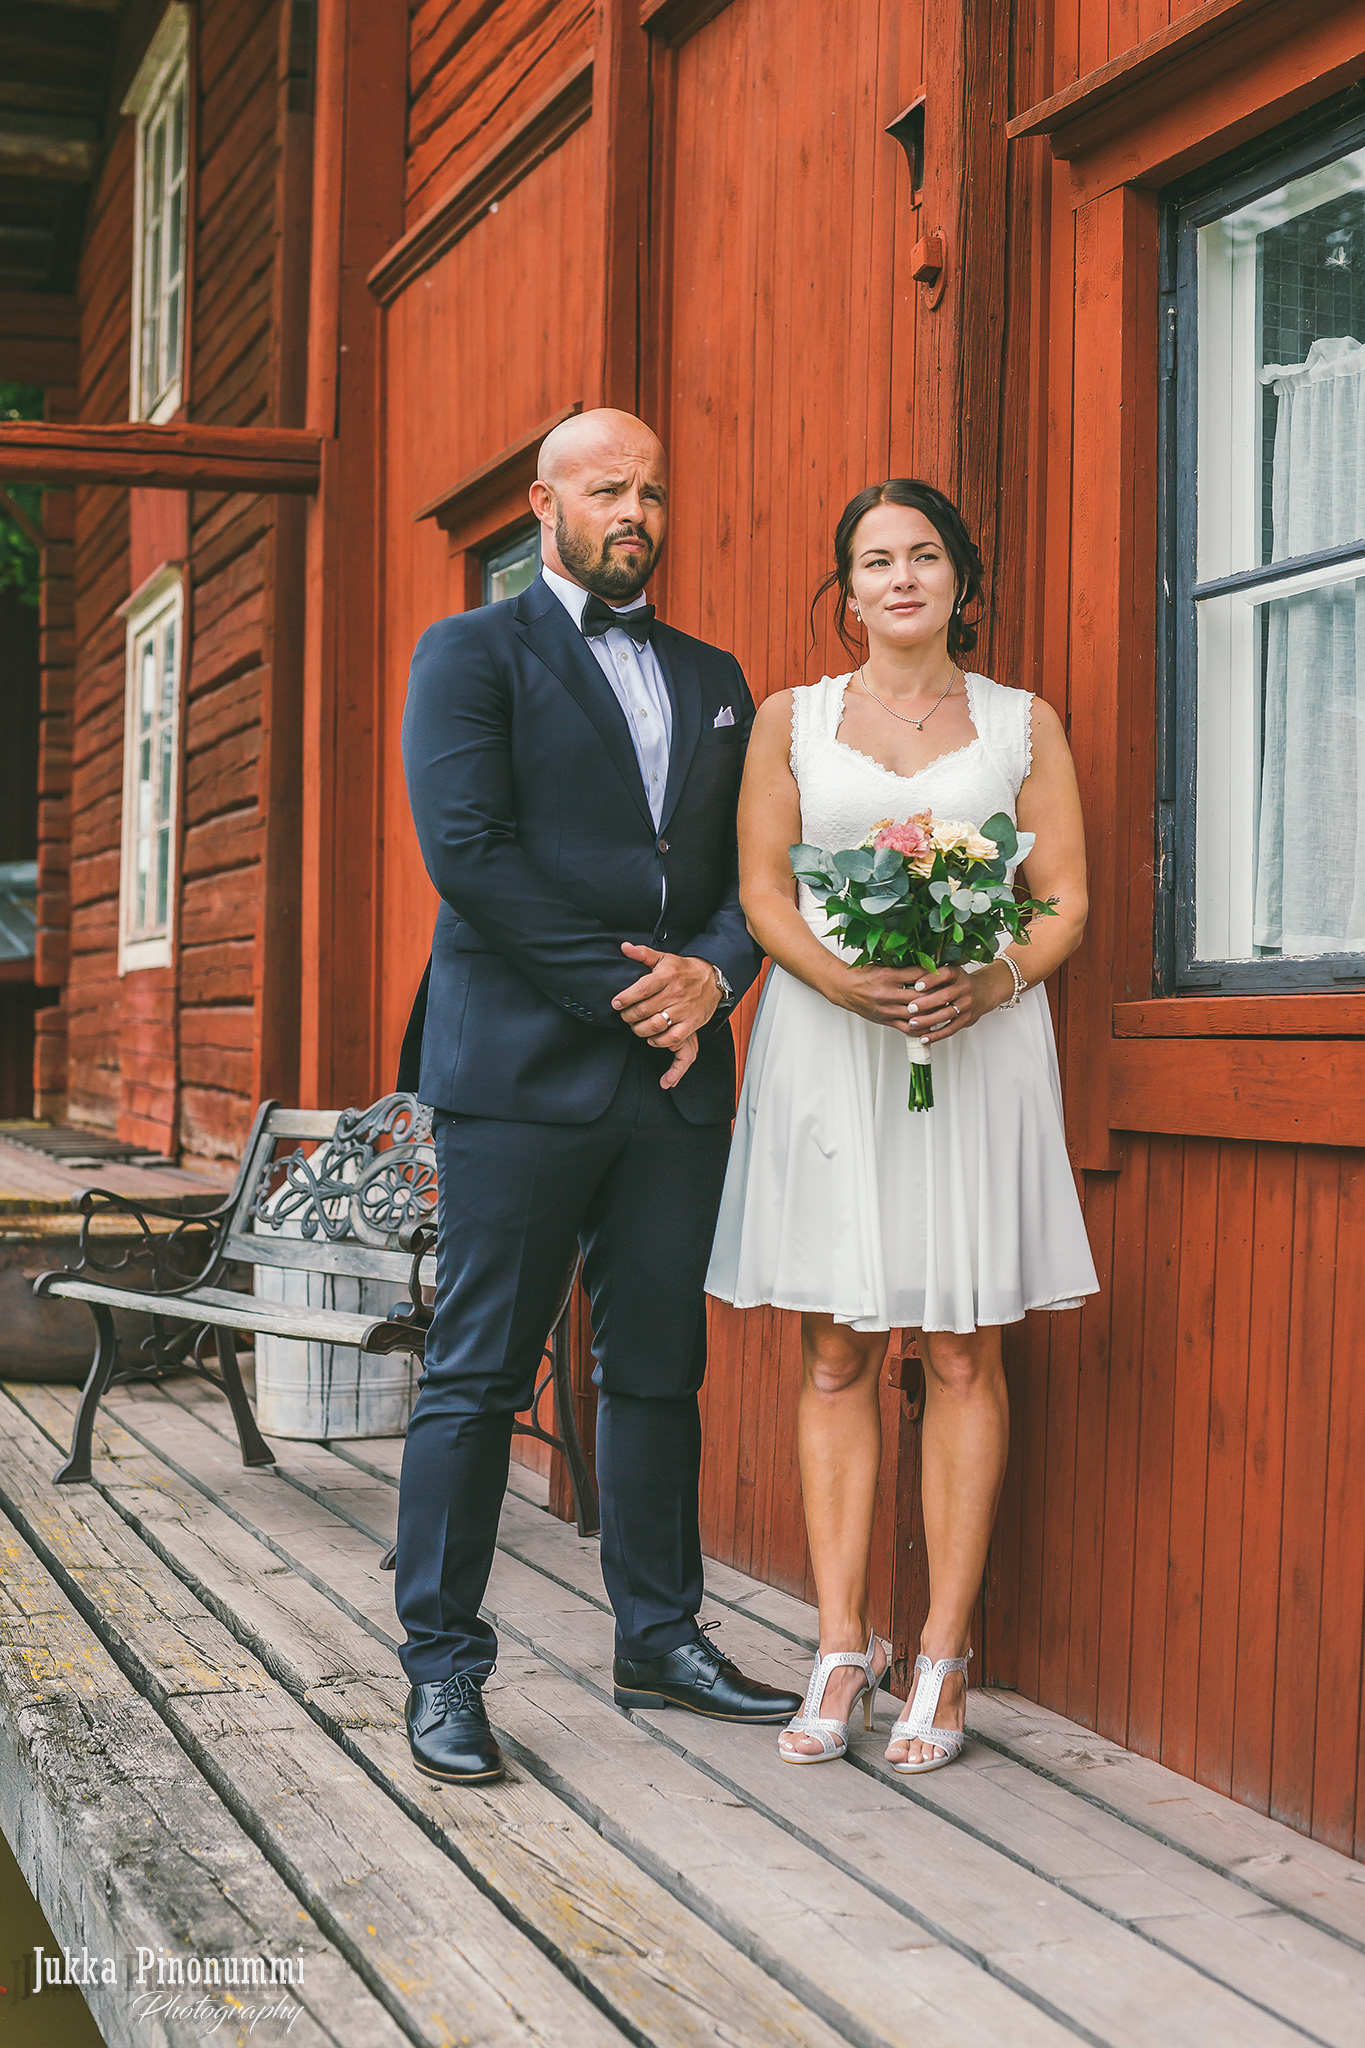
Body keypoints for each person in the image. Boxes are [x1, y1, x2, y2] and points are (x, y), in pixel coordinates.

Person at [395, 407, 802, 1784]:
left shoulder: (714, 675)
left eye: (653, 491)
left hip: (677, 1083)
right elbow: (469, 854)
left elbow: (748, 877)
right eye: (608, 487)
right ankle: (443, 1669)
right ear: (544, 504)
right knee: (476, 1374)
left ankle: (660, 1637)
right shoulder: (469, 652)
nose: (635, 510)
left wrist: (718, 977)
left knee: (659, 1373)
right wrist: (636, 995)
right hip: (520, 1070)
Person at [706, 479, 1099, 1772]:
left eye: (923, 556)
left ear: (960, 579)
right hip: (832, 1047)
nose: (901, 579)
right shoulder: (791, 720)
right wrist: (837, 981)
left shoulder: (1021, 723)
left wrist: (992, 980)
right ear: (849, 589)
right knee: (835, 1349)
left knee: (962, 1349)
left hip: (975, 1047)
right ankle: (839, 1645)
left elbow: (1063, 898)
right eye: (875, 561)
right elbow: (763, 891)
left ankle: (941, 1654)